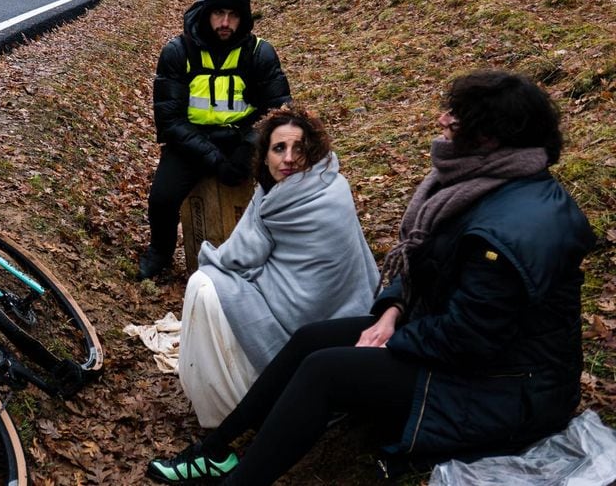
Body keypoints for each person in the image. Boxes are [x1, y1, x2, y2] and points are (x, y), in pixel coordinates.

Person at [146, 70, 596, 485]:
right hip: (454, 342)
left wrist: (394, 340)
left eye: (455, 118)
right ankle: (216, 449)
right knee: (310, 339)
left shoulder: (512, 227)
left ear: (488, 138)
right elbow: (425, 267)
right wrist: (392, 311)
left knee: (325, 370)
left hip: (506, 387)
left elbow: (471, 340)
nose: (441, 118)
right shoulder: (477, 187)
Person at [179, 106, 379, 428]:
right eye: (278, 148)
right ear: (265, 155)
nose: (288, 158)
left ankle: (234, 401)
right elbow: (251, 256)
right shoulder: (318, 183)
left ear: (312, 152)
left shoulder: (316, 197)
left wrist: (212, 260)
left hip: (315, 318)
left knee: (203, 284)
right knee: (211, 284)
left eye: (298, 148)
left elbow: (239, 258)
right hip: (341, 310)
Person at [138, 0, 292, 280]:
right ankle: (160, 252)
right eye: (218, 13)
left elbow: (279, 112)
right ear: (206, 13)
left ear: (244, 18)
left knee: (283, 189)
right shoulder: (179, 52)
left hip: (244, 141)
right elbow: (170, 122)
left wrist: (247, 148)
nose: (225, 22)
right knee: (162, 199)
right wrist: (214, 159)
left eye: (233, 15)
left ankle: (281, 255)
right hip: (190, 142)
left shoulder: (259, 53)